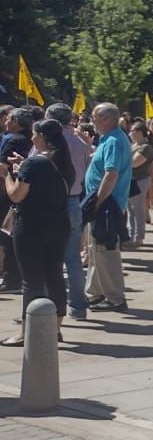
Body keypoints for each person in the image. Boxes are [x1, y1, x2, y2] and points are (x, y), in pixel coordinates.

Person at [1, 118, 74, 346]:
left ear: (42, 137)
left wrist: (6, 175)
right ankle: (55, 328)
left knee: (31, 281)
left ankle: (26, 333)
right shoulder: (63, 161)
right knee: (54, 276)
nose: (32, 138)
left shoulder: (33, 164)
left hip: (32, 226)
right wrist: (23, 166)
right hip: (59, 224)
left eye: (34, 134)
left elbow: (16, 195)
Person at [83, 103, 132, 313]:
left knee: (105, 249)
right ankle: (96, 293)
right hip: (105, 203)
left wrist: (98, 201)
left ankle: (115, 298)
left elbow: (111, 174)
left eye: (95, 117)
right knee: (96, 250)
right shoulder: (109, 139)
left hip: (107, 204)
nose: (92, 121)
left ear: (107, 119)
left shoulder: (114, 140)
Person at [47, 104, 92, 320]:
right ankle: (78, 306)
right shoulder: (80, 143)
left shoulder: (48, 140)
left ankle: (43, 307)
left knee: (47, 258)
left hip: (51, 203)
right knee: (73, 259)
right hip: (74, 201)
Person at [125, 121, 153, 247]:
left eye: (132, 131)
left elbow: (135, 163)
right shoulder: (134, 145)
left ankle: (139, 237)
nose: (130, 133)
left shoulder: (145, 147)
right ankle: (132, 236)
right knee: (130, 209)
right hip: (131, 180)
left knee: (137, 209)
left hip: (140, 180)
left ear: (139, 132)